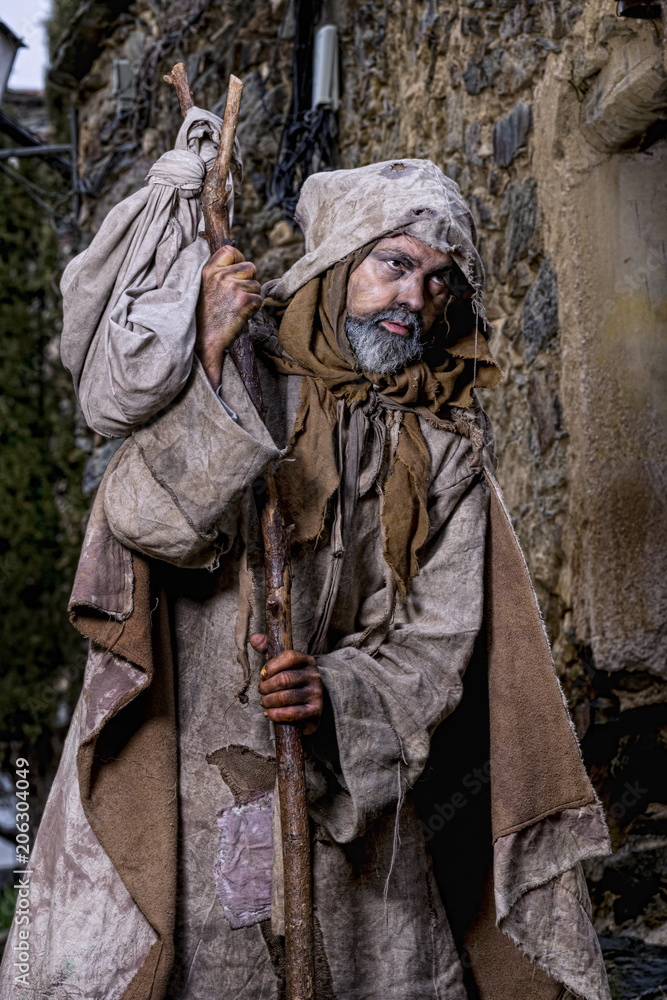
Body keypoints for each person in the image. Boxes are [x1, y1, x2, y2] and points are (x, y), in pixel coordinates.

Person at [0, 158, 612, 1000]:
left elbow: (441, 637)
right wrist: (210, 370)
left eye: (438, 281)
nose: (414, 298)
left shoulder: (443, 449)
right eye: (393, 264)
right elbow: (147, 526)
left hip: (360, 806)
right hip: (198, 776)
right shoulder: (238, 374)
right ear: (336, 265)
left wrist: (339, 694)